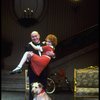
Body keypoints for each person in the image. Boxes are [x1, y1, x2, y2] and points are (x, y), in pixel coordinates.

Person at [9, 31, 57, 100]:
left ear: (39, 36)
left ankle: (18, 67)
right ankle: (18, 67)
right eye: (33, 37)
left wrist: (53, 55)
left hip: (43, 72)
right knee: (32, 92)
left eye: (36, 36)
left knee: (43, 91)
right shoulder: (28, 46)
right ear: (31, 38)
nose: (34, 38)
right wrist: (28, 59)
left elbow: (51, 55)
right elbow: (27, 61)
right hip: (33, 72)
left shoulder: (45, 44)